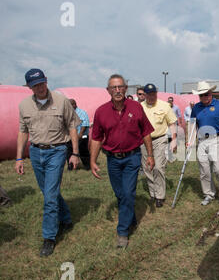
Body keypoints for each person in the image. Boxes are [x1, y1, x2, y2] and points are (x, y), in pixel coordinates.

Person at [15, 68, 81, 257]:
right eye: (35, 85)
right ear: (29, 87)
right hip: (35, 152)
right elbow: (22, 131)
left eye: (42, 83)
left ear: (46, 81)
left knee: (49, 197)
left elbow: (72, 127)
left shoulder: (61, 101)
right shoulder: (24, 105)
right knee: (48, 192)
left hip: (57, 151)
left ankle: (49, 237)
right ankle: (66, 218)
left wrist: (75, 153)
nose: (40, 87)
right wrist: (19, 158)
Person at [90, 74, 155, 249]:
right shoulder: (101, 111)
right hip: (112, 160)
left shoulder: (136, 107)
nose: (117, 90)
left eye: (120, 87)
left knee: (127, 193)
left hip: (132, 157)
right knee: (121, 195)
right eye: (114, 88)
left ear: (126, 89)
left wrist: (150, 155)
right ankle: (131, 218)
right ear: (108, 90)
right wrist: (92, 160)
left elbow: (146, 132)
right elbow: (96, 138)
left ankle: (122, 232)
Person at [188, 81, 219, 206]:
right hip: (202, 140)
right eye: (201, 95)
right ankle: (209, 194)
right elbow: (193, 124)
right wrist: (190, 140)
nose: (204, 97)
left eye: (206, 94)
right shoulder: (196, 108)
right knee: (205, 171)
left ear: (211, 93)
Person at [141, 84, 177, 207]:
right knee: (147, 168)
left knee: (158, 167)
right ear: (144, 95)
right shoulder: (139, 107)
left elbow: (172, 123)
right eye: (149, 94)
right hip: (144, 141)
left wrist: (174, 140)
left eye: (154, 93)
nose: (152, 96)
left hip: (160, 139)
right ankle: (153, 193)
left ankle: (160, 196)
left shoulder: (165, 106)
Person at [66, 99, 91, 170]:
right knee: (69, 152)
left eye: (72, 105)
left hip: (82, 136)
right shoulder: (67, 113)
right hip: (70, 137)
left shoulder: (82, 112)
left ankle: (88, 167)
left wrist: (80, 134)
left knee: (83, 152)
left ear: (75, 104)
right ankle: (71, 167)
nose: (70, 106)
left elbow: (85, 124)